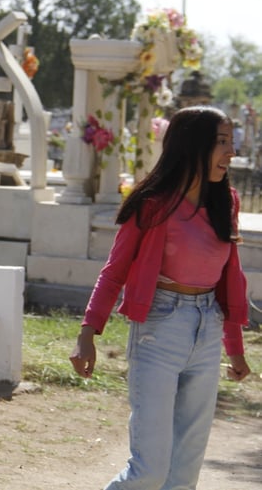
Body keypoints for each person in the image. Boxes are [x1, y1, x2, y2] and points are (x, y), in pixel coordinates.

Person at [69, 106, 251, 490]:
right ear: (193, 146)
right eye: (222, 143)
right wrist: (88, 333)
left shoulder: (227, 202)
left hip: (207, 332)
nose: (231, 153)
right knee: (149, 471)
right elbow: (114, 270)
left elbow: (229, 276)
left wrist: (233, 345)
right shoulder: (152, 203)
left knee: (184, 474)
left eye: (231, 143)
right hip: (159, 329)